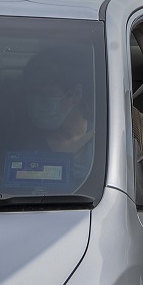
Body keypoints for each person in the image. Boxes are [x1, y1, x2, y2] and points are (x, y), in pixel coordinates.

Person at [21, 47, 95, 186]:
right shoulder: (20, 141)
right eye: (33, 94)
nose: (37, 102)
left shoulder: (108, 141)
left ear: (75, 94)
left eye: (46, 95)